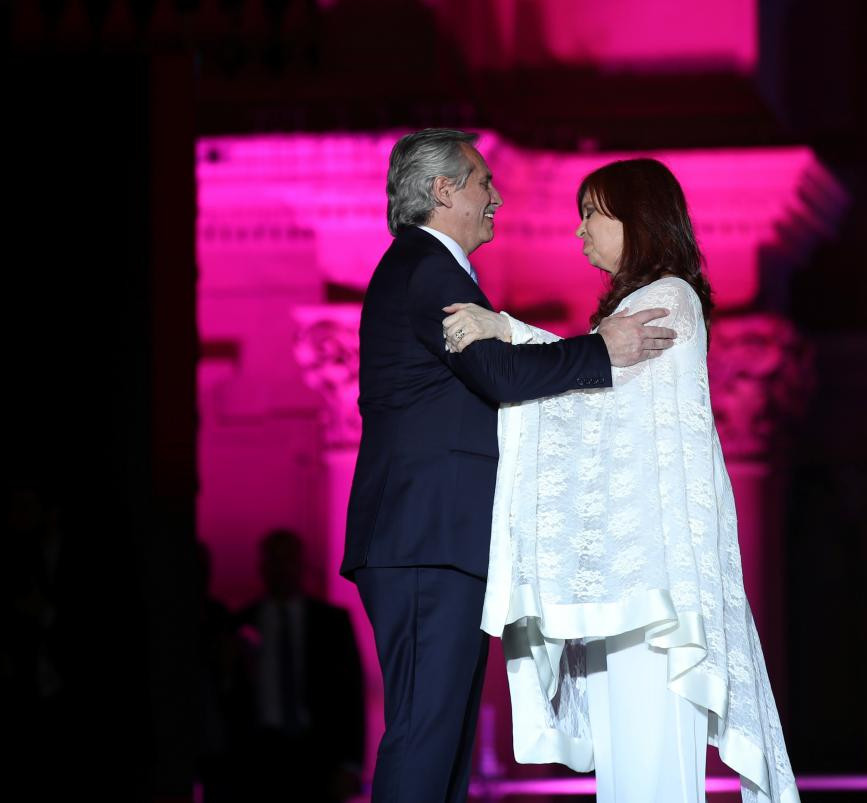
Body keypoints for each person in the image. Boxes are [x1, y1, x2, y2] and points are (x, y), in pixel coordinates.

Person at [444, 158, 800, 803]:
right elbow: (592, 396)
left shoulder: (666, 300)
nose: (579, 232)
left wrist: (506, 333)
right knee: (629, 772)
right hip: (628, 583)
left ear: (637, 220)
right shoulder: (642, 303)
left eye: (591, 214)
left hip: (654, 586)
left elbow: (595, 404)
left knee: (649, 770)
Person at [344, 129, 677, 803]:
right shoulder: (424, 265)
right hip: (423, 538)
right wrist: (600, 349)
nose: (496, 197)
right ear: (443, 191)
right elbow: (496, 372)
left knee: (446, 739)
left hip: (441, 539)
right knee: (424, 730)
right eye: (482, 182)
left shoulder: (430, 268)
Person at [234, 529, 365, 803]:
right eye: (275, 560)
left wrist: (351, 763)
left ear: (301, 565)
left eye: (288, 560)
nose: (282, 569)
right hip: (258, 756)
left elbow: (352, 695)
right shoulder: (242, 623)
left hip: (318, 756)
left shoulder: (332, 623)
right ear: (264, 566)